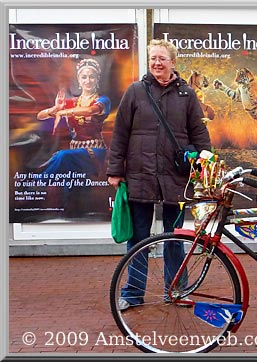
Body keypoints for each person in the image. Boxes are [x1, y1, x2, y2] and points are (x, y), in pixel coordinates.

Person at [106, 39, 212, 311]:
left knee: (174, 238)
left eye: (162, 58)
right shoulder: (135, 92)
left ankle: (175, 290)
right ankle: (132, 293)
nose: (156, 63)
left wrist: (204, 162)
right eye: (153, 58)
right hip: (140, 176)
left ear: (172, 62)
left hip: (176, 180)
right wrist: (115, 170)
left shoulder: (187, 95)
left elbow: (200, 134)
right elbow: (120, 134)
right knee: (138, 238)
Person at [36, 58, 111, 213]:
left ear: (97, 79)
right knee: (70, 184)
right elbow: (40, 116)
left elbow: (90, 111)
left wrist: (64, 112)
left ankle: (37, 183)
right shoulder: (72, 102)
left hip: (95, 152)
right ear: (79, 80)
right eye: (84, 77)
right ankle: (69, 213)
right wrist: (55, 109)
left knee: (63, 156)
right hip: (75, 152)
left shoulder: (102, 100)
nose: (88, 80)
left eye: (92, 76)